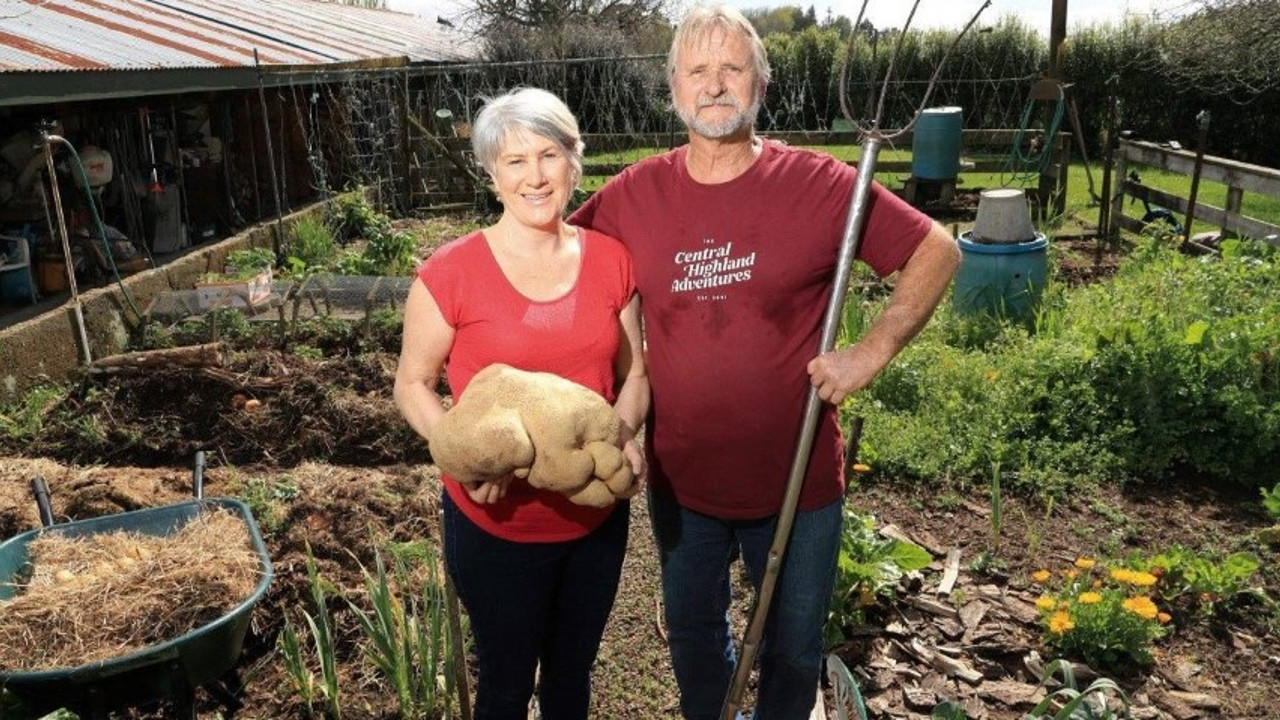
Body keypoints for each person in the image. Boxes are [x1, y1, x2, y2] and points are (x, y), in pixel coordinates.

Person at [569, 6, 960, 719]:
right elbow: (561, 259)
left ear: (761, 83)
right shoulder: (633, 195)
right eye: (697, 70)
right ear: (674, 87)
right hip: (683, 481)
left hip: (799, 481)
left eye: (731, 68)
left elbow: (938, 250)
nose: (714, 85)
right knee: (692, 637)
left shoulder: (816, 186)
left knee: (791, 647)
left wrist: (872, 350)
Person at [394, 87, 648, 720]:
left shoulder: (613, 261)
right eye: (514, 161)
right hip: (497, 524)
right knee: (506, 686)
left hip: (592, 521)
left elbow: (636, 373)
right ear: (491, 173)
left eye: (549, 155)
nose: (535, 177)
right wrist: (463, 457)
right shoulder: (449, 273)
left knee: (571, 679)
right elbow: (412, 383)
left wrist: (622, 437)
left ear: (574, 160)